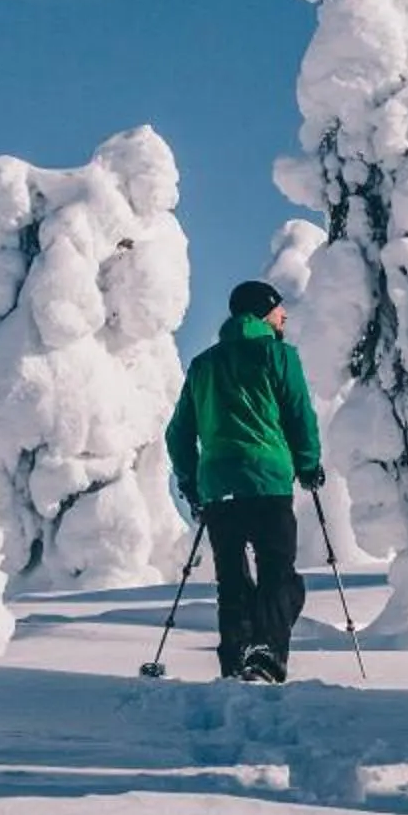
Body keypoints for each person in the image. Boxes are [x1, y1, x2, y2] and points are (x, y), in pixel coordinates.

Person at [164, 279, 323, 683]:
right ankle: (267, 654)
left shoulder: (203, 365)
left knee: (231, 578)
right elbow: (299, 414)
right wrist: (308, 464)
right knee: (278, 572)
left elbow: (178, 433)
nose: (284, 315)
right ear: (262, 312)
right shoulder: (278, 355)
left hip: (219, 488)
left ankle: (235, 658)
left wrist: (191, 482)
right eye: (278, 309)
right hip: (267, 482)